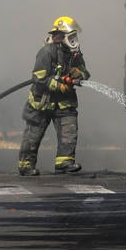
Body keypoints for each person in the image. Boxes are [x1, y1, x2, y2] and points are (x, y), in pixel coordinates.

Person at [18, 15, 88, 175]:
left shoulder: (74, 54)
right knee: (33, 136)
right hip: (42, 102)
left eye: (75, 36)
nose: (74, 39)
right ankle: (26, 165)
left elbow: (85, 72)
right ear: (60, 36)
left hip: (64, 103)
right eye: (72, 36)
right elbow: (38, 78)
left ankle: (64, 163)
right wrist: (59, 85)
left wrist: (80, 73)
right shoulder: (46, 52)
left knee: (69, 132)